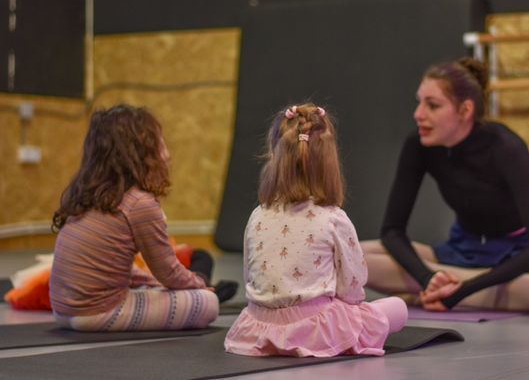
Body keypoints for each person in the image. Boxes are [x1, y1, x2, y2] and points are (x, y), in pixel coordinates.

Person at [361, 57, 529, 312]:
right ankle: (443, 285)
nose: (418, 114)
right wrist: (427, 277)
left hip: (519, 253)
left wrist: (460, 293)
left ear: (465, 111)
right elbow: (392, 232)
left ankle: (438, 289)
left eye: (432, 105)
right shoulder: (418, 145)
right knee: (353, 255)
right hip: (462, 250)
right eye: (419, 102)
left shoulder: (506, 147)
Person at [225, 103, 407, 357]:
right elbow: (352, 289)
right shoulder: (333, 218)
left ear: (274, 156)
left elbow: (250, 277)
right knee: (397, 307)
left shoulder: (257, 214)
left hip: (257, 328)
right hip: (314, 330)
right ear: (330, 163)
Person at [49, 104, 220, 331]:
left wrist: (153, 283)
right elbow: (168, 272)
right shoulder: (139, 203)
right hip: (97, 313)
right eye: (160, 143)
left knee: (161, 288)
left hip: (61, 312)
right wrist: (199, 284)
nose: (168, 154)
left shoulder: (90, 196)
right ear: (141, 154)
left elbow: (117, 269)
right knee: (209, 302)